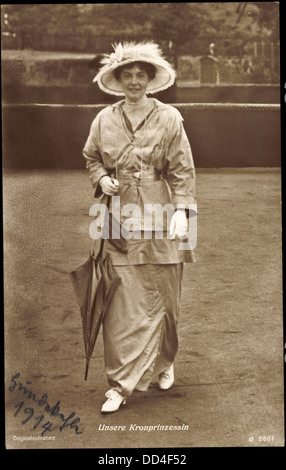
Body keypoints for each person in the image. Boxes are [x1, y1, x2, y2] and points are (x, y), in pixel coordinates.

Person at [83, 41, 196, 413]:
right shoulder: (103, 119)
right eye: (127, 75)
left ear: (151, 80)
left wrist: (183, 211)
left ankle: (164, 362)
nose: (134, 81)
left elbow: (182, 170)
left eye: (140, 75)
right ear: (118, 80)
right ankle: (120, 383)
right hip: (117, 217)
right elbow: (92, 157)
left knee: (165, 295)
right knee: (119, 300)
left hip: (162, 214)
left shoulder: (170, 117)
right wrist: (101, 180)